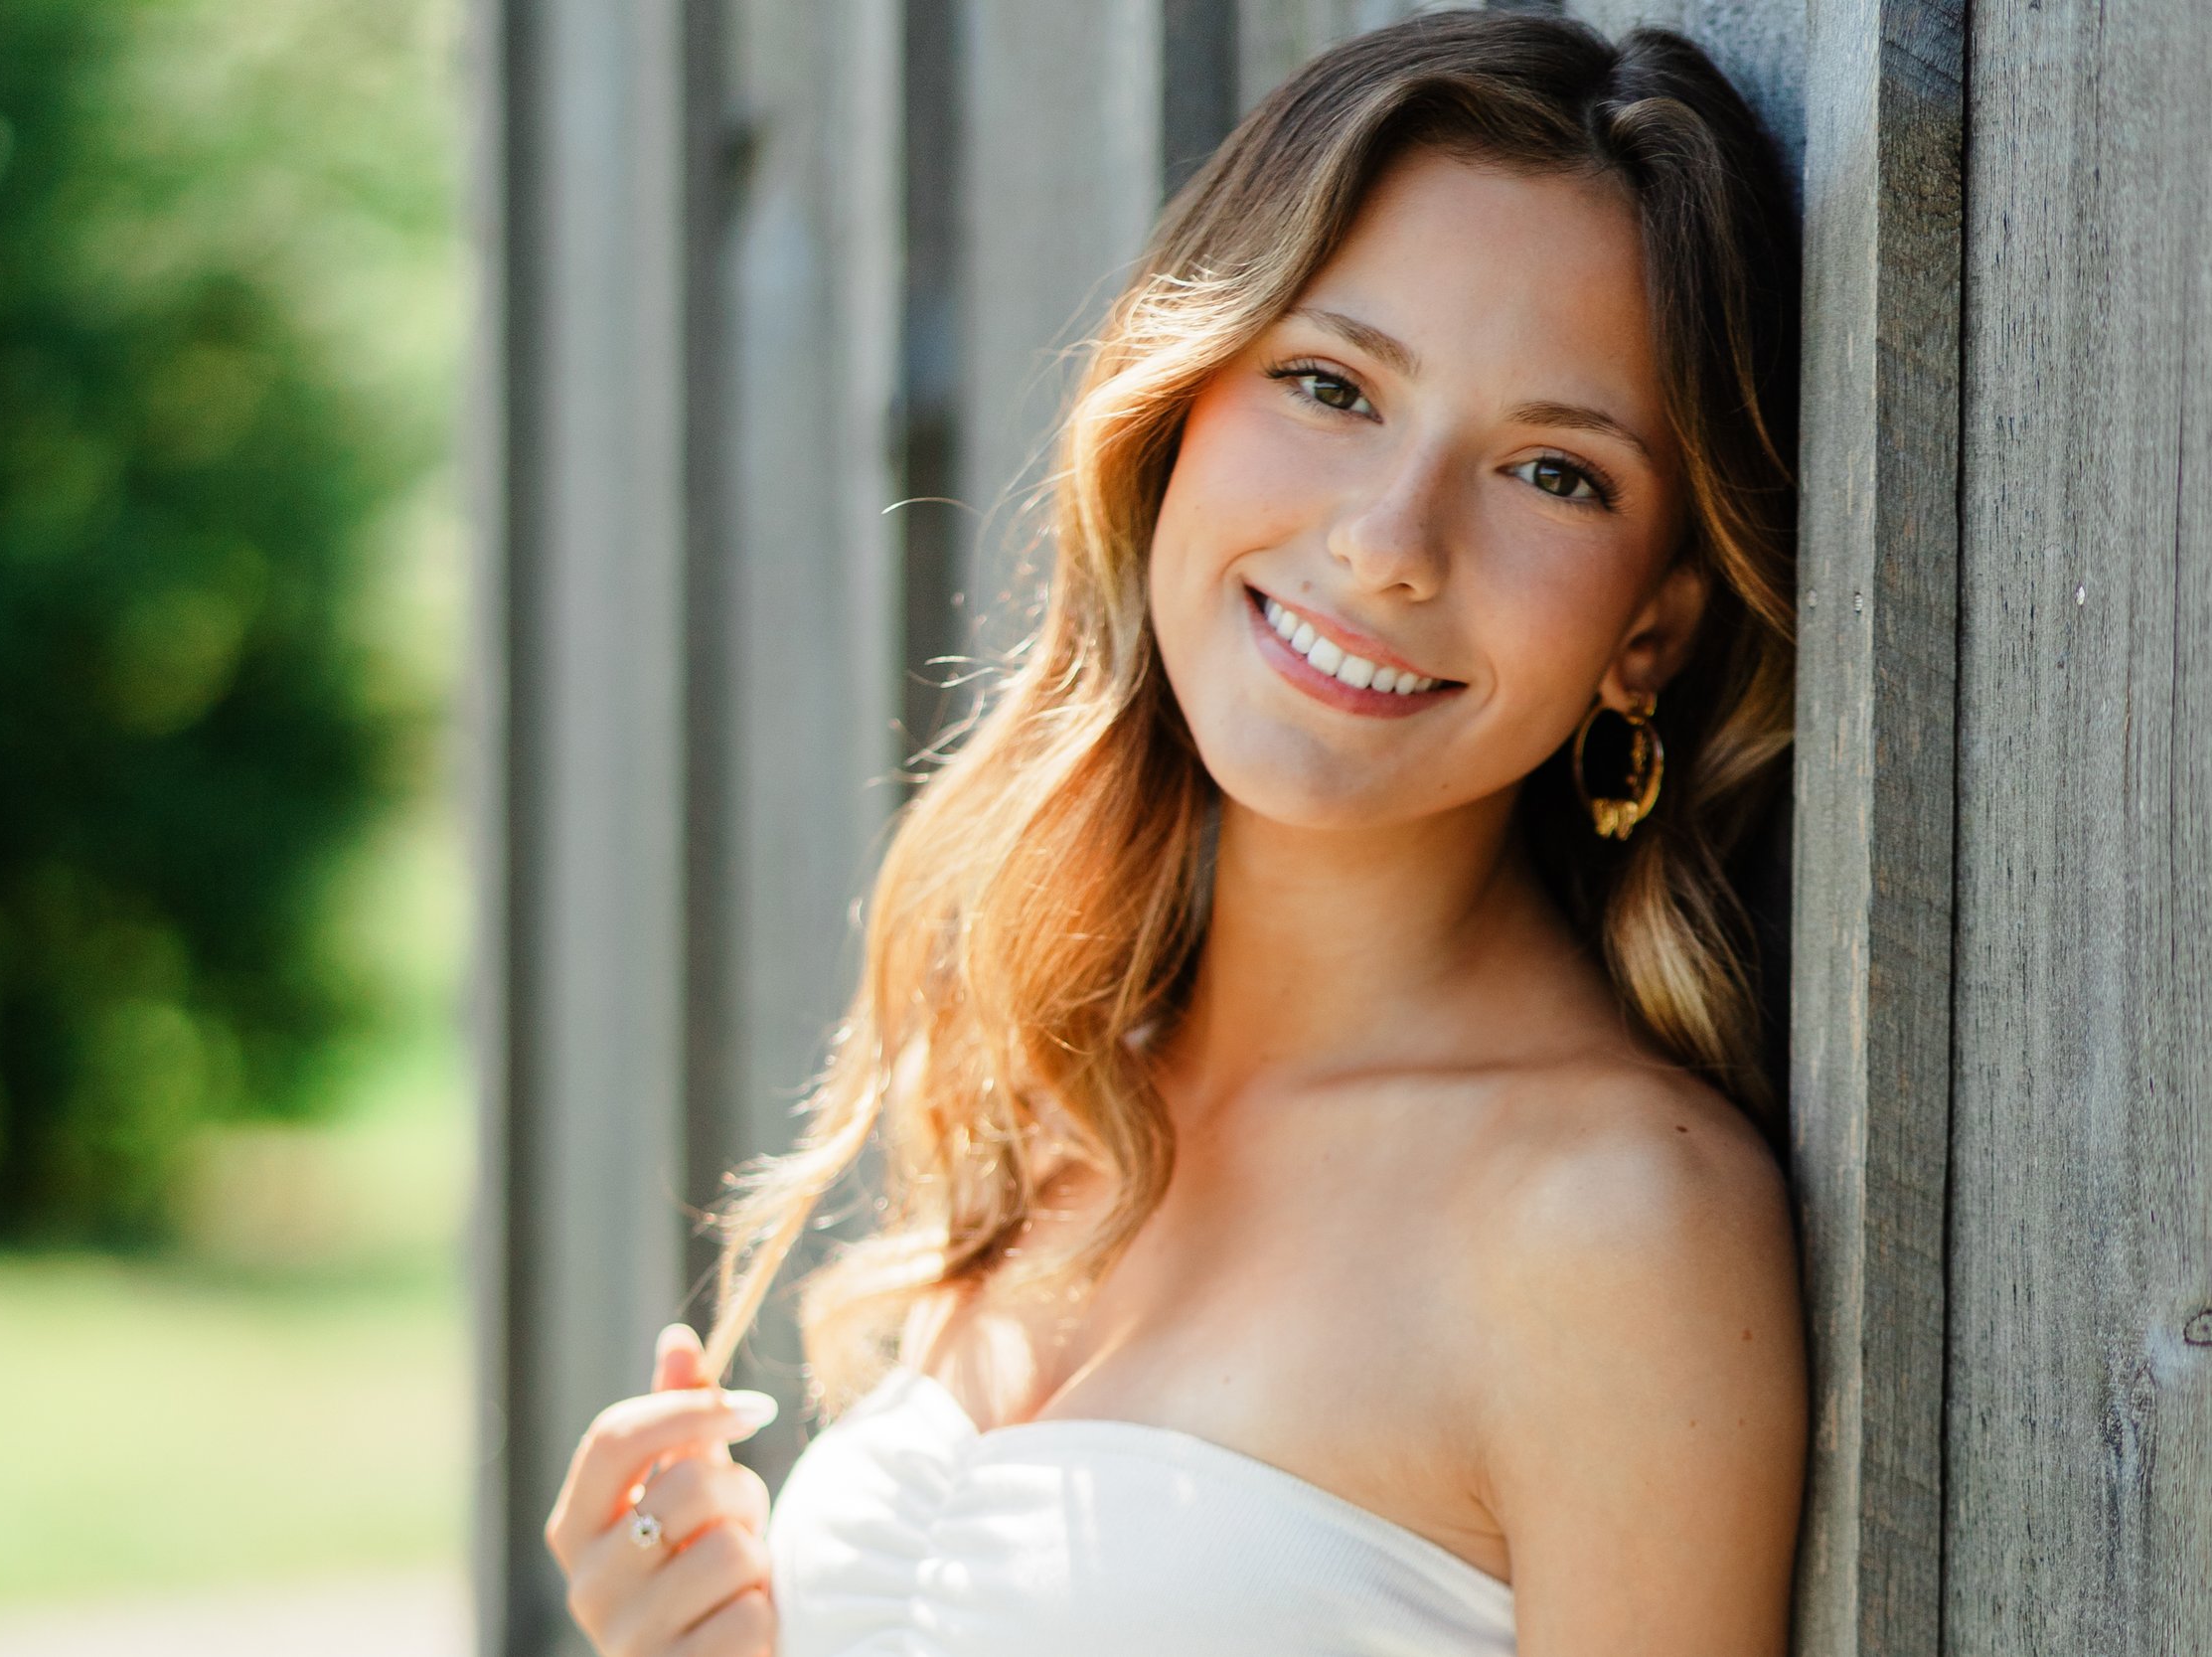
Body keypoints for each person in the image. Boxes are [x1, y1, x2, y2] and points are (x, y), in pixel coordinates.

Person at [544, 11, 1806, 1655]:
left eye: (1553, 473)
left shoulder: (1609, 1224)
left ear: (1649, 632)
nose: (1390, 544)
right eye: (1330, 384)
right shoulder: (1066, 1080)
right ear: (1178, 408)